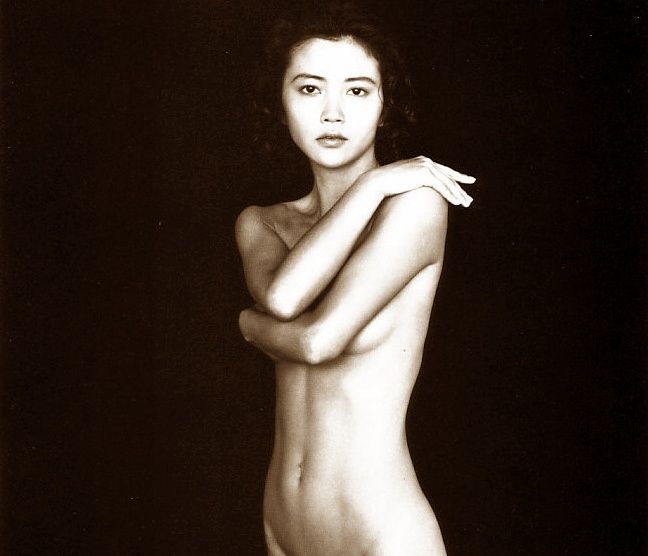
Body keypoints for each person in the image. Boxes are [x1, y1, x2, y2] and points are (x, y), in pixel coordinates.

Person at [235, 4, 474, 554]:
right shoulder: (263, 222)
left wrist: (247, 325)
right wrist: (372, 184)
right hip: (285, 529)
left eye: (359, 91)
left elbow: (316, 342)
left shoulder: (415, 205)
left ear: (386, 107)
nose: (333, 114)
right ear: (280, 104)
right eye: (310, 89)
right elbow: (283, 296)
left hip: (381, 535)